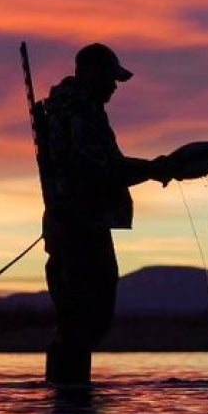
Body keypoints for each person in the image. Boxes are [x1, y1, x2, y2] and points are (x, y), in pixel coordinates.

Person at [39, 43, 173, 386]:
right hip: (80, 226)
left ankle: (68, 403)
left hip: (73, 223)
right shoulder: (81, 109)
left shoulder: (67, 107)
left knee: (77, 321)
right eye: (111, 78)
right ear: (90, 72)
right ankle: (72, 405)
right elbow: (103, 167)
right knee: (86, 318)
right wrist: (155, 169)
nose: (115, 86)